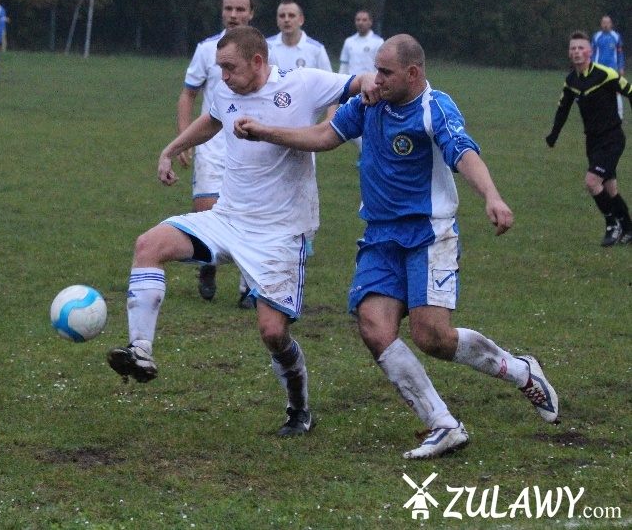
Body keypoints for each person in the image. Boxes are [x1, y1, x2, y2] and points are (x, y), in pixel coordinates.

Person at [235, 34, 559, 459]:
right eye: (376, 70)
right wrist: (265, 133)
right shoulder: (370, 102)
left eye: (386, 72)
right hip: (380, 236)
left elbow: (462, 153)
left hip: (428, 233)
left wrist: (492, 196)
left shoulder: (435, 107)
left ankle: (520, 370)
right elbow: (326, 135)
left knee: (433, 337)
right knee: (374, 327)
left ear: (413, 73)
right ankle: (442, 424)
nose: (377, 78)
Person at [107, 26, 377, 437]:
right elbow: (212, 119)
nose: (224, 76)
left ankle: (298, 408)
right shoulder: (226, 89)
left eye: (230, 68)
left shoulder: (301, 83)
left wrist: (375, 85)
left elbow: (360, 82)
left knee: (272, 332)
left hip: (281, 232)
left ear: (257, 61)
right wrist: (172, 148)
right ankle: (140, 350)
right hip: (227, 218)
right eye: (220, 68)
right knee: (149, 245)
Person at [177, 0, 256, 308]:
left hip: (251, 145)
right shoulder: (206, 49)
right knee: (207, 213)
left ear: (251, 13)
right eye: (228, 9)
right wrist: (184, 140)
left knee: (251, 215)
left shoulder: (263, 52)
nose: (234, 15)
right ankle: (208, 265)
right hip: (211, 145)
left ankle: (249, 287)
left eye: (240, 9)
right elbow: (188, 95)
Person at [548, 30, 632, 246]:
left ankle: (612, 225)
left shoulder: (605, 75)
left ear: (589, 52)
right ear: (569, 53)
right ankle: (629, 230)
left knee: (592, 182)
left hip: (612, 139)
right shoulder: (571, 81)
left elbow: (630, 91)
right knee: (610, 189)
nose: (576, 52)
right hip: (593, 142)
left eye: (580, 48)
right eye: (573, 49)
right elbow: (563, 109)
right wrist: (553, 135)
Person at [266, 0, 335, 257]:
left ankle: (303, 238)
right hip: (270, 132)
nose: (286, 19)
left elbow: (334, 89)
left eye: (291, 15)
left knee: (302, 185)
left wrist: (329, 122)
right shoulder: (268, 47)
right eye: (282, 15)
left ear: (301, 19)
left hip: (305, 135)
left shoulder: (315, 50)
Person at [339, 10, 384, 156]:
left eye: (364, 20)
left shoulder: (378, 42)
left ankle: (370, 153)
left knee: (372, 123)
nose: (361, 22)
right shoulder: (349, 42)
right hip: (352, 88)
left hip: (371, 88)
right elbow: (344, 66)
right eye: (358, 19)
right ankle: (366, 151)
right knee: (347, 122)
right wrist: (341, 86)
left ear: (370, 22)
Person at [592, 15, 625, 118]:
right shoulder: (596, 37)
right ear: (601, 24)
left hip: (612, 69)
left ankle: (619, 116)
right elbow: (591, 53)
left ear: (611, 24)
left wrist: (621, 67)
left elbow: (620, 53)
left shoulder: (616, 37)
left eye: (608, 23)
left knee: (616, 91)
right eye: (604, 23)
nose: (606, 25)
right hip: (598, 69)